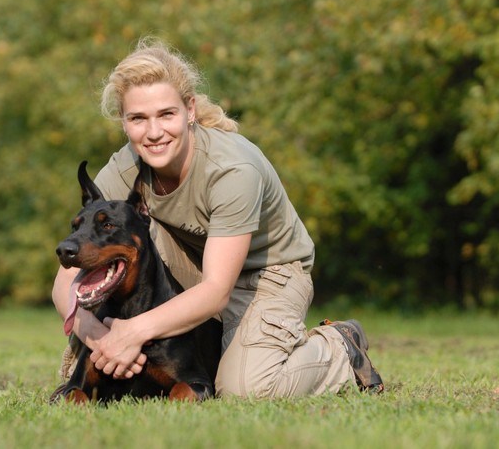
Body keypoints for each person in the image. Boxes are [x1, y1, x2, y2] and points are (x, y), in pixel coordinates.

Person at [51, 38, 384, 398]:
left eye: (166, 114)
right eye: (138, 119)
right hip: (197, 267)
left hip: (265, 273)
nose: (153, 132)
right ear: (125, 123)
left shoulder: (232, 169)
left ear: (189, 110)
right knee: (122, 236)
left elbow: (214, 290)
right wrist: (101, 340)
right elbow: (65, 284)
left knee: (245, 387)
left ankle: (337, 348)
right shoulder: (125, 166)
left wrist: (131, 334)